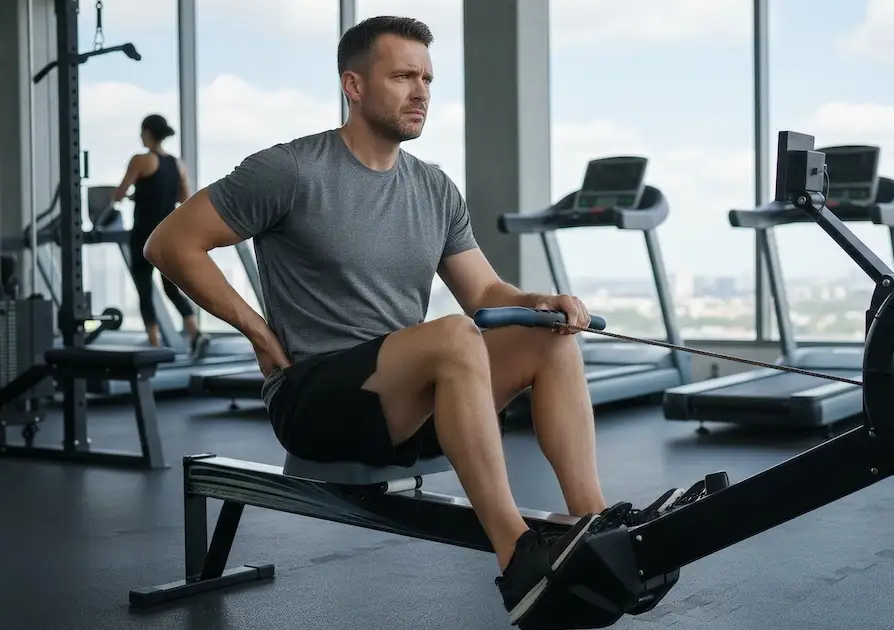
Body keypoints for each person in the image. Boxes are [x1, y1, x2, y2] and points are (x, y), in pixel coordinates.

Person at [142, 15, 686, 624]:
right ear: (354, 84)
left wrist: (539, 303)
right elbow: (170, 243)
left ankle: (595, 524)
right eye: (403, 75)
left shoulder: (434, 188)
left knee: (548, 341)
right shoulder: (290, 170)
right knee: (455, 336)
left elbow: (483, 290)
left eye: (427, 77)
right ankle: (519, 558)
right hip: (314, 399)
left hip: (408, 403)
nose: (421, 91)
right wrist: (258, 331)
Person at [113, 114, 208, 356]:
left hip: (143, 235)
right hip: (167, 234)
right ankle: (195, 332)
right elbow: (184, 199)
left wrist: (132, 196)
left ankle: (154, 344)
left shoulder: (141, 160)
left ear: (147, 133)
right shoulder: (178, 164)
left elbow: (119, 194)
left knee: (144, 287)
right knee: (172, 288)